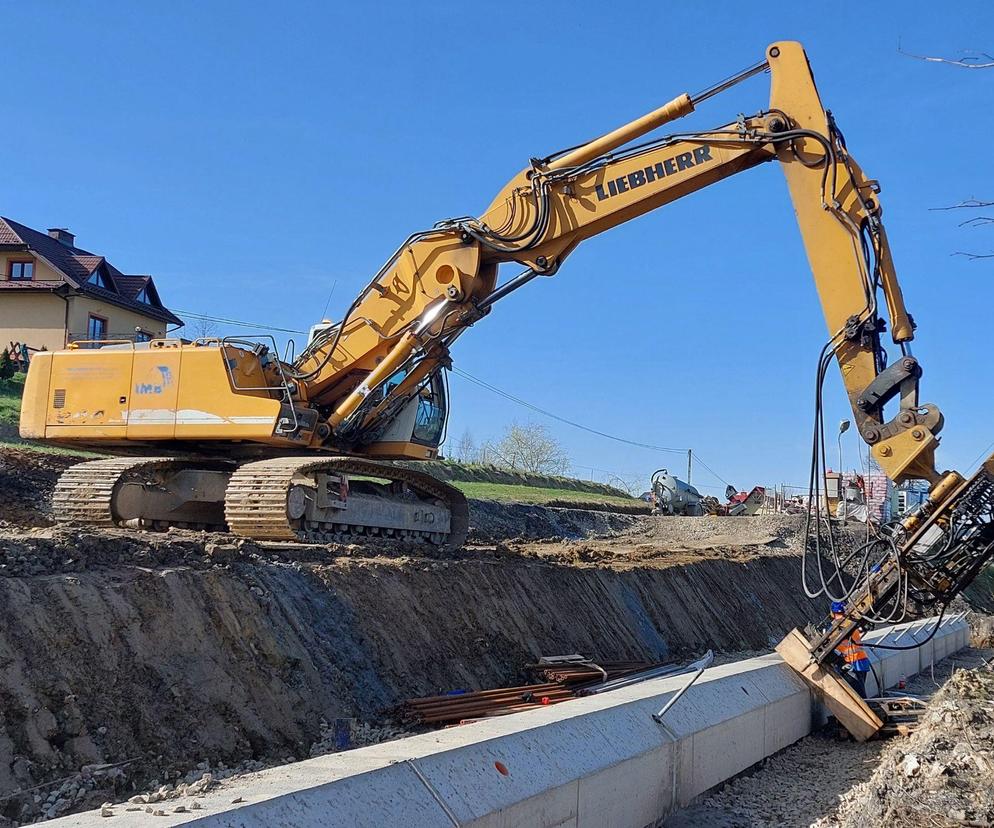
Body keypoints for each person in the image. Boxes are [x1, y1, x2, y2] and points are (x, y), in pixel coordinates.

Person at [830, 601, 871, 699]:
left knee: (859, 697)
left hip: (851, 664)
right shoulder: (851, 622)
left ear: (832, 612)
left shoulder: (836, 627)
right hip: (862, 661)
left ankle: (866, 713)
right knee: (859, 692)